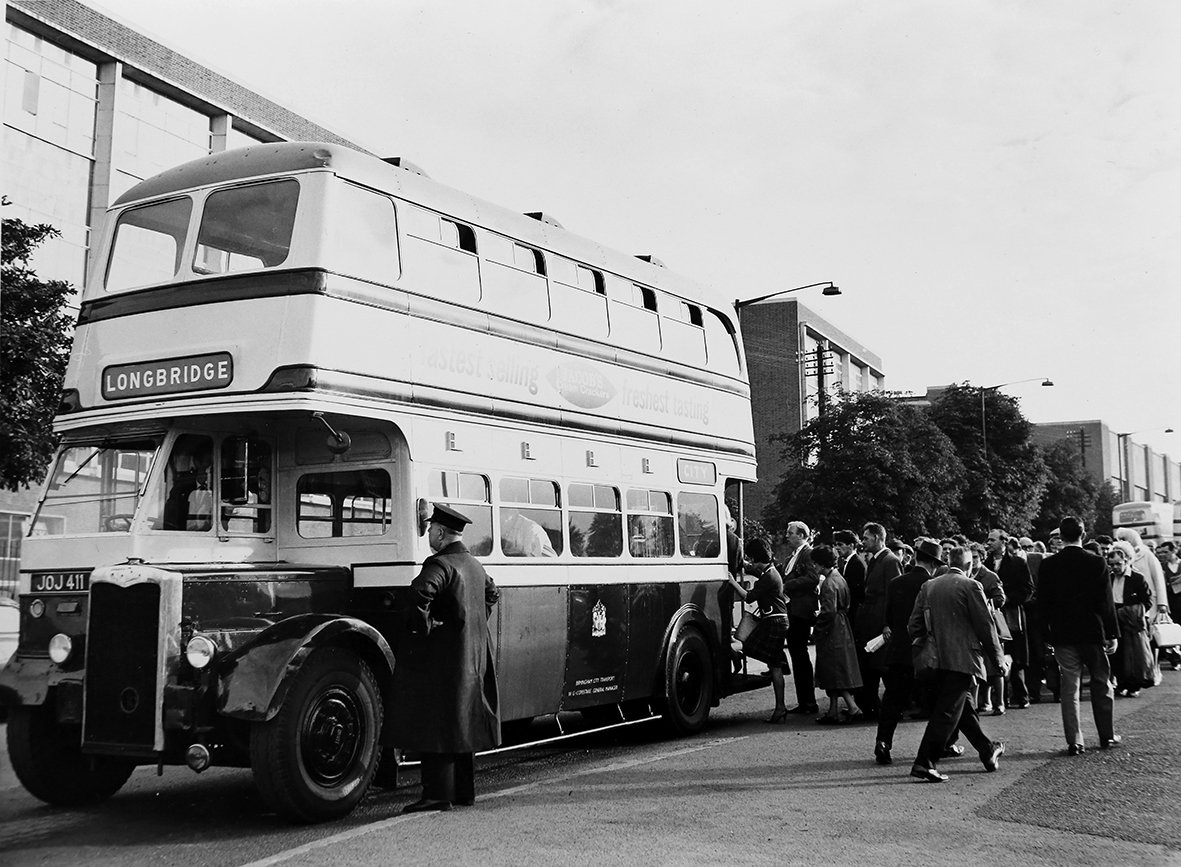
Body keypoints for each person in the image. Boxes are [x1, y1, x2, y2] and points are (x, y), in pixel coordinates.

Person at [391, 504, 501, 813]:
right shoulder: (474, 564)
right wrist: (472, 624)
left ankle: (437, 795)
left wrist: (428, 629)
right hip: (473, 658)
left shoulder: (439, 564)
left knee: (436, 724)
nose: (428, 536)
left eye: (430, 531)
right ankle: (463, 792)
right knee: (461, 723)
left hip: (444, 660)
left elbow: (418, 595)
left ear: (440, 533)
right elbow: (493, 594)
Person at [907, 546, 1007, 783]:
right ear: (969, 566)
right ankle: (925, 762)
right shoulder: (971, 585)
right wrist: (998, 660)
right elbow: (986, 627)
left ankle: (987, 749)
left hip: (934, 659)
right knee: (948, 711)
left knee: (963, 709)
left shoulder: (928, 586)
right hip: (964, 658)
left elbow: (914, 626)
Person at [1037, 516, 1120, 755]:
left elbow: (1043, 604)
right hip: (1092, 631)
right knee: (1101, 682)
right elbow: (1106, 602)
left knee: (1070, 686)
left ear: (1060, 537)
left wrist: (1046, 635)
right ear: (1083, 535)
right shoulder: (1096, 563)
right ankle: (1106, 735)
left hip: (1062, 633)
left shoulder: (1049, 564)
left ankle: (1074, 740)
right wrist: (1112, 632)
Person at [874, 537, 940, 765]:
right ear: (933, 563)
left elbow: (890, 618)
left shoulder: (896, 583)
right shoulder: (932, 585)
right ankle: (943, 744)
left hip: (899, 651)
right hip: (924, 653)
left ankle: (883, 742)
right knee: (936, 700)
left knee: (892, 700)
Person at [734, 537, 790, 722]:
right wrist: (742, 561)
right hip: (776, 620)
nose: (752, 564)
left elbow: (748, 597)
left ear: (758, 559)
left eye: (753, 559)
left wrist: (731, 581)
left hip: (774, 621)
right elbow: (751, 567)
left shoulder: (768, 577)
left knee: (748, 648)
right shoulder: (769, 571)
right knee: (773, 665)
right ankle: (780, 707)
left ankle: (780, 707)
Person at [853, 522, 902, 719]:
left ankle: (893, 708)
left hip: (880, 622)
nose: (863, 541)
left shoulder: (890, 561)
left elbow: (895, 594)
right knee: (872, 666)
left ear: (877, 538)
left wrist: (888, 623)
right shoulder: (875, 560)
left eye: (866, 538)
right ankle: (873, 706)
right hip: (870, 621)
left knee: (883, 668)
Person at [810, 545, 862, 724]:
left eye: (815, 563)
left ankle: (852, 707)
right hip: (842, 625)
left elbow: (828, 612)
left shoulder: (829, 583)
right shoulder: (839, 578)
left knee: (834, 669)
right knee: (836, 668)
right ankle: (833, 710)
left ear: (820, 564)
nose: (814, 567)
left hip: (832, 629)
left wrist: (817, 628)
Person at [985, 528, 1034, 709]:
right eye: (988, 540)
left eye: (992, 540)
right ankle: (1001, 697)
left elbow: (1028, 589)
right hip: (992, 614)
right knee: (997, 652)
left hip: (1012, 614)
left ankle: (1021, 695)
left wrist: (1008, 600)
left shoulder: (1018, 563)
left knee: (1016, 654)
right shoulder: (985, 564)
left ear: (1003, 542)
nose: (988, 543)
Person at [1107, 540, 1155, 698]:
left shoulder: (1137, 578)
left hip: (1131, 623)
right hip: (1114, 620)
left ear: (1127, 560)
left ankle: (1134, 685)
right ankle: (1121, 684)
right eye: (1111, 564)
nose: (1114, 567)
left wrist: (1131, 612)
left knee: (1134, 654)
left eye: (1118, 563)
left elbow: (1147, 601)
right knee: (1116, 654)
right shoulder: (1109, 578)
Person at [780, 521, 819, 714]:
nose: (787, 536)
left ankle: (809, 702)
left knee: (800, 655)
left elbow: (812, 578)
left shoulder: (807, 553)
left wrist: (789, 585)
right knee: (797, 654)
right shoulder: (791, 557)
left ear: (802, 535)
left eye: (791, 533)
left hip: (801, 611)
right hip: (792, 610)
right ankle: (804, 701)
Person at [968, 543, 1007, 714]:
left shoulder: (990, 576)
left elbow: (1001, 598)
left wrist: (987, 603)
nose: (974, 560)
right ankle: (983, 701)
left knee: (995, 665)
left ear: (982, 557)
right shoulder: (966, 575)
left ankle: (999, 702)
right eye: (971, 557)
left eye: (976, 557)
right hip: (971, 625)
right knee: (977, 664)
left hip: (989, 623)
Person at [833, 529, 866, 623]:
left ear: (851, 545)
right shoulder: (846, 562)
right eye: (835, 545)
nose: (837, 548)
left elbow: (856, 592)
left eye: (840, 544)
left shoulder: (857, 564)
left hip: (853, 614)